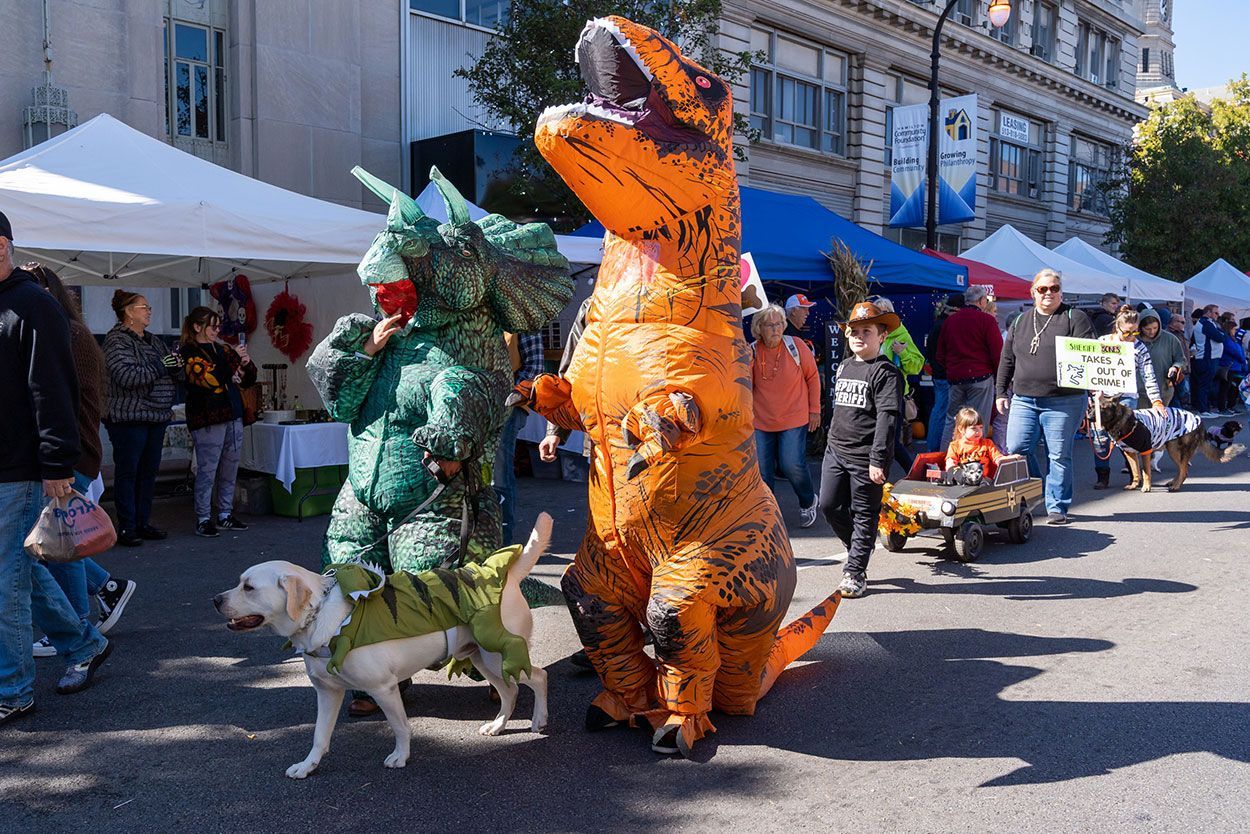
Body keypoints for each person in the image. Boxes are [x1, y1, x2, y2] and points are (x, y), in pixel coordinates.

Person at [0, 212, 113, 725]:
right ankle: (83, 641)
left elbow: (54, 392)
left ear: (2, 246)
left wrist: (57, 464)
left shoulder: (33, 306)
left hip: (23, 469)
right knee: (21, 569)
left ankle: (14, 689)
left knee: (7, 581)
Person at [26, 264, 136, 658]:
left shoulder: (65, 334)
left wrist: (53, 456)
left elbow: (58, 401)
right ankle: (109, 587)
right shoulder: (69, 331)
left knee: (63, 540)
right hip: (72, 450)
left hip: (69, 452)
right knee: (52, 538)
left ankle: (75, 622)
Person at [995, 269, 1094, 525]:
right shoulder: (1019, 321)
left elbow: (1089, 356)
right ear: (1033, 292)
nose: (1048, 293)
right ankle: (1039, 486)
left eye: (1054, 288)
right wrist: (1000, 392)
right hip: (1024, 398)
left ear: (1061, 292)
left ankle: (1057, 506)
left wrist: (1097, 384)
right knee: (1017, 448)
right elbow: (1007, 359)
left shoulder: (1075, 317)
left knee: (1058, 454)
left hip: (1064, 400)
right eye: (1043, 289)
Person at [818, 301, 903, 599]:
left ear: (881, 336)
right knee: (828, 506)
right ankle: (857, 546)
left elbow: (887, 419)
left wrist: (879, 460)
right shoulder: (844, 365)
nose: (858, 336)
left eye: (866, 331)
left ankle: (855, 572)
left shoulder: (886, 373)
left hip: (867, 458)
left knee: (865, 515)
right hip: (836, 450)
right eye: (854, 331)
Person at [103, 290, 181, 546]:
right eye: (144, 307)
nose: (149, 311)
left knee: (148, 472)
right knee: (129, 472)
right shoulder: (116, 341)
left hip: (156, 415)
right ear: (128, 312)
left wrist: (176, 367)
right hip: (128, 417)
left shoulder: (153, 340)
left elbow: (167, 371)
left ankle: (142, 521)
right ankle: (127, 526)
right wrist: (162, 367)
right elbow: (127, 377)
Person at [181, 307, 257, 538]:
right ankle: (203, 517)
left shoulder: (223, 349)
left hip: (233, 414)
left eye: (218, 326)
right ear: (197, 327)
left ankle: (225, 513)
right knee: (207, 469)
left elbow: (247, 380)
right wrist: (233, 359)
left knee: (230, 467)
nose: (217, 330)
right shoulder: (188, 352)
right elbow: (211, 380)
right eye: (212, 326)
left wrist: (246, 363)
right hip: (208, 418)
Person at [749, 304, 821, 527]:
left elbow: (813, 378)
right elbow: (744, 386)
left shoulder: (796, 345)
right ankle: (768, 512)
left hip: (794, 417)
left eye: (779, 324)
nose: (775, 329)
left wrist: (815, 410)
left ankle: (808, 500)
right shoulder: (751, 350)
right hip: (761, 420)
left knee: (792, 464)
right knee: (762, 471)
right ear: (759, 328)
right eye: (770, 325)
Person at [1091, 306, 1165, 490]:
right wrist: (1092, 389)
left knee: (1128, 435)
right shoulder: (1102, 342)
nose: (1132, 336)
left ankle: (1134, 475)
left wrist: (1156, 401)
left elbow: (1149, 376)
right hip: (1102, 396)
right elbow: (1090, 367)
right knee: (1100, 437)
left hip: (1127, 397)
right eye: (1127, 332)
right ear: (1117, 327)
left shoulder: (1140, 347)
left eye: (1136, 332)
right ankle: (1102, 476)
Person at [492, 331, 546, 544]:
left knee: (498, 476)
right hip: (470, 405)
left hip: (508, 407)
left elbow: (534, 368)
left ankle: (501, 543)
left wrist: (510, 399)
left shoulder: (518, 318)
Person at [937, 284, 1003, 447]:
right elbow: (997, 353)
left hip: (955, 378)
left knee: (952, 421)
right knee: (978, 422)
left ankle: (946, 458)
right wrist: (998, 377)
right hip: (980, 378)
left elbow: (940, 354)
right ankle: (975, 463)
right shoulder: (987, 321)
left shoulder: (950, 321)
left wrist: (952, 369)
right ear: (981, 301)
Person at [870, 296, 923, 476]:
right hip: (873, 393)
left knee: (891, 440)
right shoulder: (871, 334)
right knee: (878, 438)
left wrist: (904, 352)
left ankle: (913, 472)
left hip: (895, 394)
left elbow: (917, 365)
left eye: (886, 312)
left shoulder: (901, 334)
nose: (882, 316)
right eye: (878, 313)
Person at [923, 294, 962, 453]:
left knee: (940, 411)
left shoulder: (939, 324)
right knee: (942, 412)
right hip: (944, 375)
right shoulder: (946, 325)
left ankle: (934, 447)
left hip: (939, 374)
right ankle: (936, 449)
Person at [1138, 308, 1188, 408]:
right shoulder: (1134, 340)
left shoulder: (1170, 339)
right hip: (1139, 392)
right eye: (1147, 329)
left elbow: (1181, 359)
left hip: (1163, 389)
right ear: (1140, 327)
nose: (1152, 332)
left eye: (1155, 328)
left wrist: (1176, 367)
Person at [944, 407, 1013, 475]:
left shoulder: (987, 443)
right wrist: (953, 471)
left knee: (988, 482)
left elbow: (997, 458)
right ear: (961, 429)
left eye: (981, 427)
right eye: (973, 428)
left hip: (982, 480)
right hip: (963, 480)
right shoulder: (955, 445)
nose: (978, 431)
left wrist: (1008, 459)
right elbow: (951, 462)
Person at [1189, 304, 1226, 417]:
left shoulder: (1207, 323)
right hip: (1206, 358)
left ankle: (1204, 408)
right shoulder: (1205, 323)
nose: (1218, 315)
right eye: (1215, 313)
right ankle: (1203, 409)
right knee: (1204, 384)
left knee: (1204, 384)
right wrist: (1221, 333)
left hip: (1208, 358)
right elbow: (1220, 337)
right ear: (1208, 312)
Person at [1217, 317, 1247, 414]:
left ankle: (1230, 406)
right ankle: (1223, 407)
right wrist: (1242, 359)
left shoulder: (1233, 340)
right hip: (1230, 366)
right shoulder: (1227, 340)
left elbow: (1239, 351)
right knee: (1226, 388)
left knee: (1233, 388)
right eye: (1234, 329)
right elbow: (1235, 351)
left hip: (1236, 367)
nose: (1235, 331)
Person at [783, 293, 819, 360]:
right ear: (793, 311)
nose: (808, 313)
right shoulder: (786, 333)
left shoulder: (794, 331)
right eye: (804, 309)